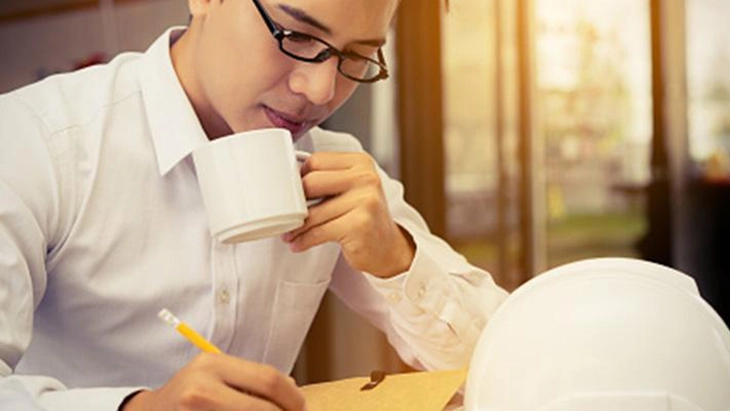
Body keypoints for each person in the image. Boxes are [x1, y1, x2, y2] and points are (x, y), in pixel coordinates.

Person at [0, 0, 508, 410]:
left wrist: (395, 259)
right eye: (296, 36)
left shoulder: (336, 168)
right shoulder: (37, 141)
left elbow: (517, 359)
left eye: (355, 57)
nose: (321, 89)